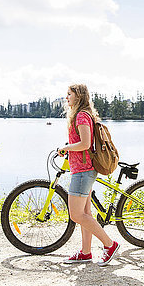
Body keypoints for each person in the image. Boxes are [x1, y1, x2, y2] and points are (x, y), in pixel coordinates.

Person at [58, 84, 119, 266]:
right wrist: (68, 149)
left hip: (83, 171)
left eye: (69, 94)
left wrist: (66, 147)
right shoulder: (81, 115)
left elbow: (85, 144)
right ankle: (85, 252)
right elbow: (82, 143)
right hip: (81, 169)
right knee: (85, 213)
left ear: (79, 96)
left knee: (76, 214)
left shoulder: (81, 116)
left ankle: (110, 244)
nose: (66, 97)